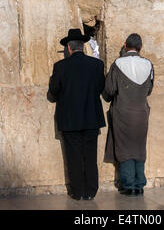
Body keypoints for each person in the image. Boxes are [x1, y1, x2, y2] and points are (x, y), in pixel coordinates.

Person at [48, 28, 106, 201]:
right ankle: (91, 191)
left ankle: (77, 191)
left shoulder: (60, 66)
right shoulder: (97, 65)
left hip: (69, 118)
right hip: (91, 118)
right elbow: (100, 88)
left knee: (73, 156)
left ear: (69, 48)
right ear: (82, 46)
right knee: (90, 155)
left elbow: (53, 91)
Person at [102, 33, 154, 196]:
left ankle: (128, 184)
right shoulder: (148, 64)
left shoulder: (118, 64)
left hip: (122, 113)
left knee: (124, 148)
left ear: (125, 45)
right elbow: (149, 90)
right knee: (139, 147)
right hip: (141, 112)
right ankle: (139, 184)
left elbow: (109, 90)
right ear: (140, 47)